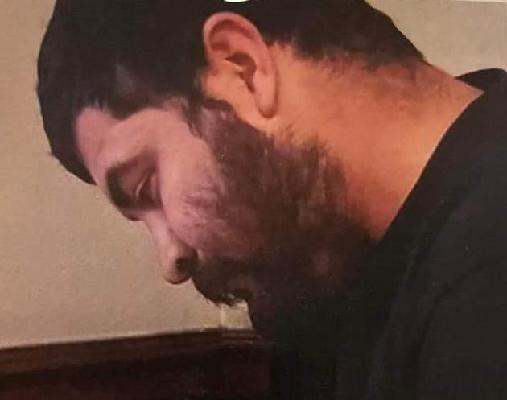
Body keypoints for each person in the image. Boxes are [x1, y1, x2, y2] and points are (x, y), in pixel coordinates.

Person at [37, 0, 507, 399]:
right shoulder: (349, 269)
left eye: (146, 187)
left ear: (242, 68)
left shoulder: (484, 268)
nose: (171, 260)